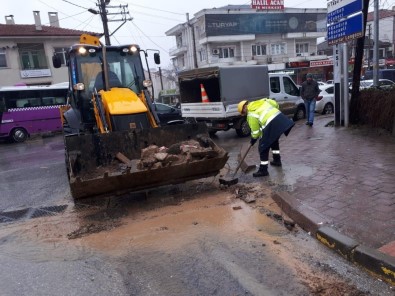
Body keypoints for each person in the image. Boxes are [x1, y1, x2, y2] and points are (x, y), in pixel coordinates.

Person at [237, 98, 294, 177]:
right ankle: (277, 160)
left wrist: (253, 139)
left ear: (244, 108)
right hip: (280, 119)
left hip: (271, 124)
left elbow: (255, 131)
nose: (245, 113)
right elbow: (275, 104)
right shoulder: (261, 102)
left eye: (243, 112)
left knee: (263, 147)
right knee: (274, 141)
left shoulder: (251, 114)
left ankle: (263, 170)